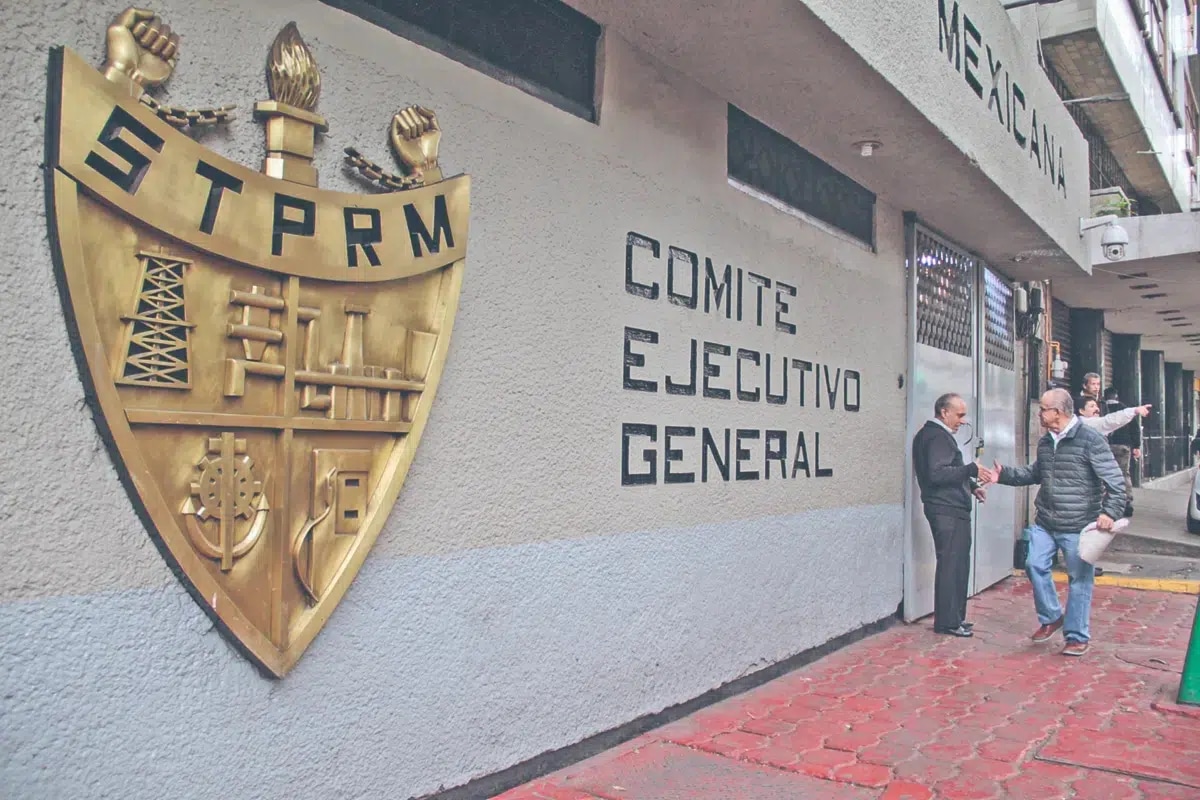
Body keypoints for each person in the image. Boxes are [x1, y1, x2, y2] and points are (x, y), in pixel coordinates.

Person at [978, 388, 1125, 657]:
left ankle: (1077, 636)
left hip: (1080, 525)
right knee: (1033, 564)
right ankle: (1052, 616)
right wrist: (1004, 475)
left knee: (1079, 581)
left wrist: (1110, 513)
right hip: (1046, 520)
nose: (1039, 413)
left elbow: (1116, 482)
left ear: (1057, 412)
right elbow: (1036, 473)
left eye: (1043, 409)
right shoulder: (1047, 442)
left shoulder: (1090, 440)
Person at [912, 393, 987, 638]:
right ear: (944, 412)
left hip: (949, 508)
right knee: (951, 564)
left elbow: (947, 473)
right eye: (959, 415)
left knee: (957, 564)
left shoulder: (935, 436)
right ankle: (947, 621)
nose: (962, 421)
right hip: (947, 510)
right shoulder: (936, 437)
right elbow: (937, 474)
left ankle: (955, 617)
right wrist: (971, 469)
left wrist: (972, 485)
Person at [1102, 387, 1143, 516]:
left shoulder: (1101, 408)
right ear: (1116, 396)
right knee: (1123, 474)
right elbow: (1135, 428)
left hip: (1105, 445)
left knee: (1103, 473)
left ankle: (1106, 500)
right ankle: (1126, 501)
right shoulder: (1125, 409)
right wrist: (1136, 446)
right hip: (1123, 446)